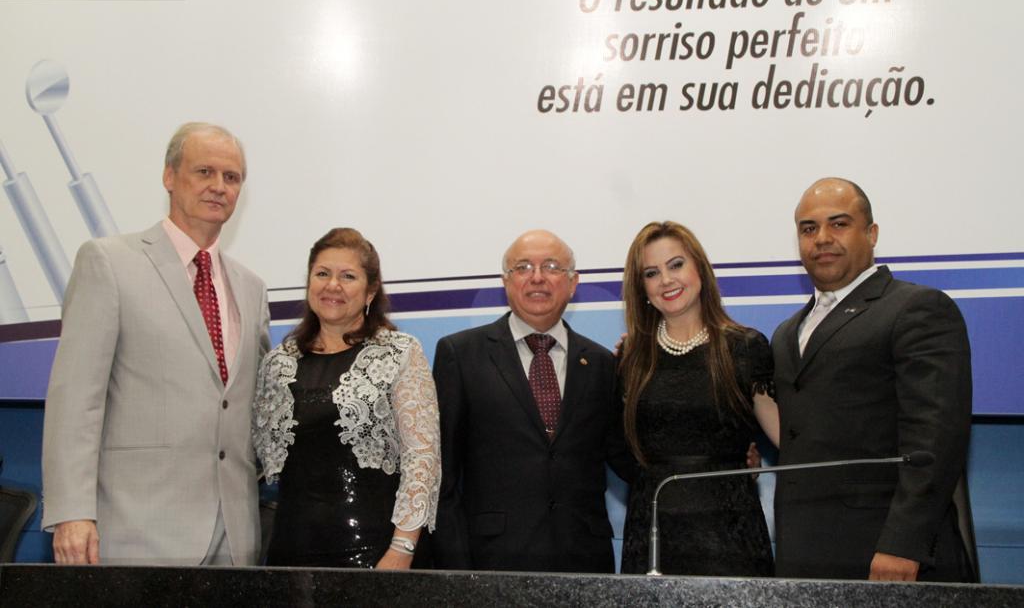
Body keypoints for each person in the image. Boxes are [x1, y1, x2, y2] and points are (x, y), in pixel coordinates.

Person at [41, 122, 271, 565]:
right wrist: (72, 513)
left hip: (236, 537)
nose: (218, 187)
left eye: (231, 177)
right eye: (204, 172)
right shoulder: (109, 263)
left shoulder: (251, 287)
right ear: (169, 176)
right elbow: (76, 398)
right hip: (134, 531)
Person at [772, 177, 973, 581]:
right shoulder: (785, 332)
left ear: (872, 233)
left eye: (839, 224)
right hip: (803, 556)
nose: (822, 238)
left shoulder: (916, 308)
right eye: (808, 228)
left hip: (887, 557)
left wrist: (904, 543)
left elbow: (935, 437)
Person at [432, 229, 635, 572]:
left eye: (552, 267)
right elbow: (442, 475)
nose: (537, 277)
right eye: (523, 267)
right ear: (506, 282)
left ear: (573, 283)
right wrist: (454, 567)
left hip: (584, 562)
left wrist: (721, 462)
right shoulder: (461, 354)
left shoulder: (602, 363)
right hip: (490, 562)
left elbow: (627, 458)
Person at [252, 227, 439, 569]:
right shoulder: (277, 362)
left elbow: (422, 460)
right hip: (290, 553)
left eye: (348, 276)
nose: (332, 285)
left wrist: (402, 549)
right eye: (322, 273)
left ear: (370, 291)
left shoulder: (399, 353)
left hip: (376, 554)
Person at [616, 221, 779, 575]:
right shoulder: (630, 357)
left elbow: (789, 438)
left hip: (731, 539)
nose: (667, 280)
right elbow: (616, 447)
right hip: (652, 536)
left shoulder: (746, 348)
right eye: (651, 273)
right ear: (641, 287)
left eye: (676, 265)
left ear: (700, 269)